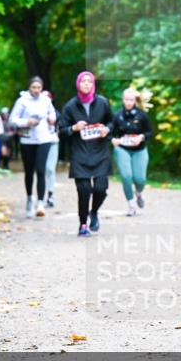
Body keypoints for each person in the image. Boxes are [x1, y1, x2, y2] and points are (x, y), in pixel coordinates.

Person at [59, 71, 113, 237]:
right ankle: (83, 224)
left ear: (93, 84)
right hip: (80, 153)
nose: (87, 84)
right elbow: (61, 131)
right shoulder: (70, 106)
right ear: (78, 84)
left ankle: (94, 211)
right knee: (84, 190)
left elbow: (112, 122)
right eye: (83, 81)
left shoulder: (102, 102)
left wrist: (107, 129)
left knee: (101, 188)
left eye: (90, 81)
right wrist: (73, 128)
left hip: (100, 152)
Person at [9, 77, 57, 218]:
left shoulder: (46, 100)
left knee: (41, 171)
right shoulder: (22, 101)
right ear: (29, 88)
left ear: (42, 88)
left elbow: (52, 113)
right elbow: (12, 120)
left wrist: (52, 118)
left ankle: (40, 203)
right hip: (27, 140)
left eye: (38, 87)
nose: (36, 90)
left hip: (44, 139)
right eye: (33, 87)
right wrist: (26, 122)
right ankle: (30, 199)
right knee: (29, 172)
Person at [111, 88, 154, 216]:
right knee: (126, 176)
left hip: (139, 150)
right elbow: (110, 132)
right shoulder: (117, 115)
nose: (129, 102)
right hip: (122, 149)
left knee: (140, 179)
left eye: (131, 100)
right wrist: (113, 140)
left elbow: (150, 132)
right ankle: (131, 205)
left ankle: (139, 194)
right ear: (123, 100)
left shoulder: (142, 115)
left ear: (135, 100)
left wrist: (141, 137)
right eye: (126, 99)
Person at [43, 91, 60, 207]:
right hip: (39, 143)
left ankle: (50, 194)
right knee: (41, 170)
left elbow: (58, 123)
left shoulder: (55, 113)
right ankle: (39, 196)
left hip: (52, 142)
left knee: (50, 169)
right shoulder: (34, 111)